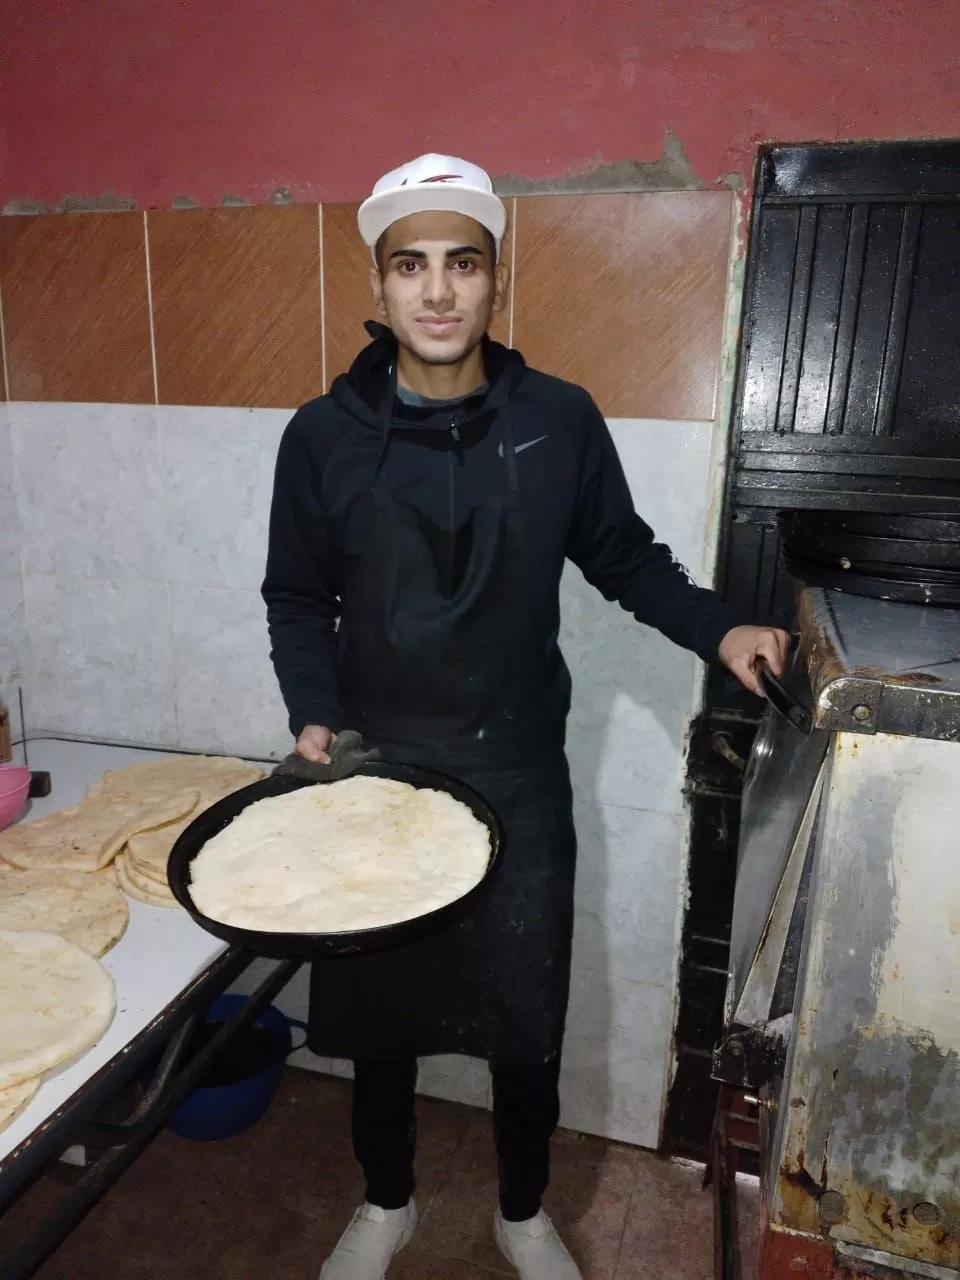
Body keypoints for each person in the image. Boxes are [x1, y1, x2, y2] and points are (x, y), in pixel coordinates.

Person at [262, 153, 790, 1280]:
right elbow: (298, 597)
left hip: (517, 769)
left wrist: (721, 627)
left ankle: (519, 1207)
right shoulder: (322, 436)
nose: (439, 291)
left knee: (524, 1011)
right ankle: (387, 1200)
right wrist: (314, 714)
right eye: (413, 266)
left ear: (497, 280)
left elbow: (624, 559)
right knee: (384, 1013)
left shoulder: (557, 420)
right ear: (383, 281)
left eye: (464, 263)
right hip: (376, 765)